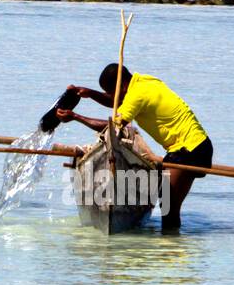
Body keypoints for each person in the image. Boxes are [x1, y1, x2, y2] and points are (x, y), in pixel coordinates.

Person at [56, 63, 214, 231]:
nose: (111, 96)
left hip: (187, 149)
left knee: (168, 207)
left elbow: (113, 126)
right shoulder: (144, 81)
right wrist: (89, 93)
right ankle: (172, 249)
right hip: (199, 145)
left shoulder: (137, 95)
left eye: (111, 91)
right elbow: (118, 100)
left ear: (122, 85)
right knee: (169, 205)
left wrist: (75, 117)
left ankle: (171, 252)